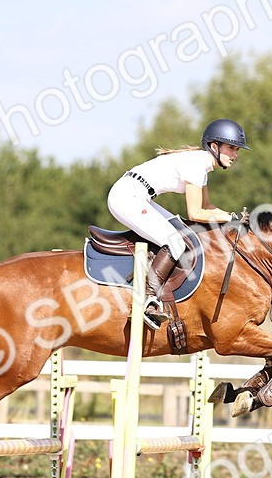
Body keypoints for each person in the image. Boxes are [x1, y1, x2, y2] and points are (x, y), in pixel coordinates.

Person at [106, 118, 249, 327]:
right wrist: (230, 219)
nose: (235, 154)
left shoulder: (202, 164)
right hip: (127, 196)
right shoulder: (197, 165)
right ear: (214, 146)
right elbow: (195, 213)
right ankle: (147, 301)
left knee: (178, 229)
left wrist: (234, 216)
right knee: (177, 243)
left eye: (237, 149)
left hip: (139, 195)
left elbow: (207, 206)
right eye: (231, 148)